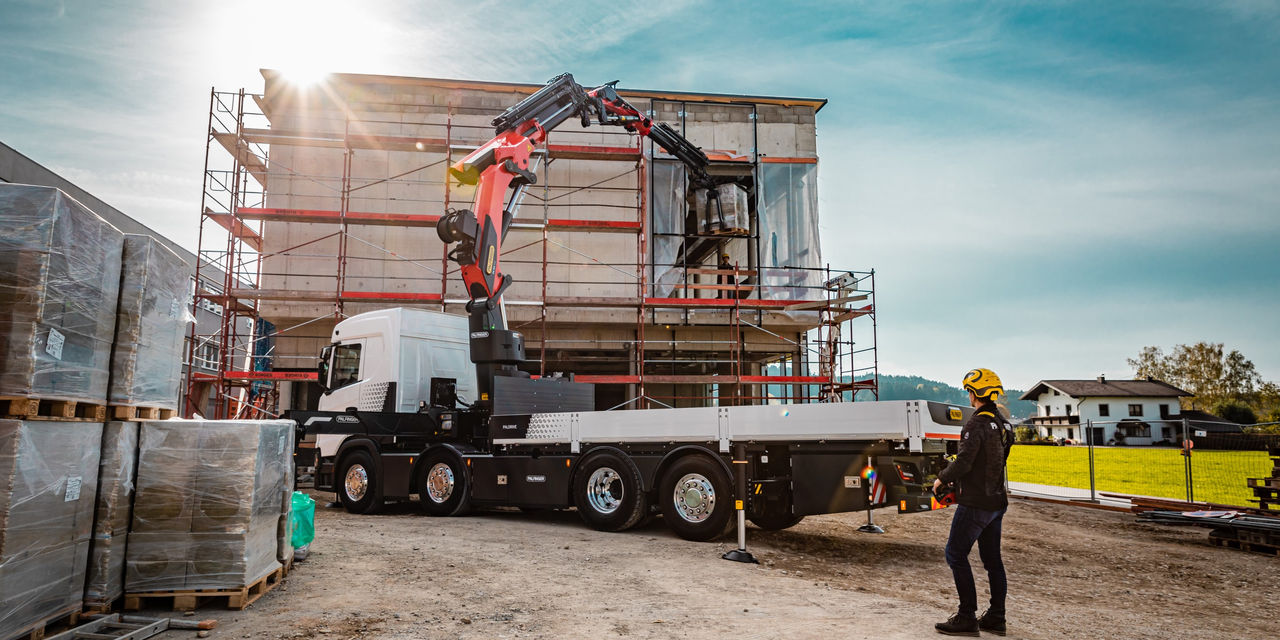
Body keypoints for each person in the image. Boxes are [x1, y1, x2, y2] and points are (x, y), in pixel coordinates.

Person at [933, 368, 1015, 637]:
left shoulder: (976, 423)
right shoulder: (1003, 423)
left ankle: (967, 616)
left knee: (955, 554)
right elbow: (998, 460)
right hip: (996, 502)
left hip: (976, 503)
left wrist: (941, 479)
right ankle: (996, 618)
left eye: (969, 390)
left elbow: (965, 463)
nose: (968, 395)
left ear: (974, 393)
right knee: (993, 560)